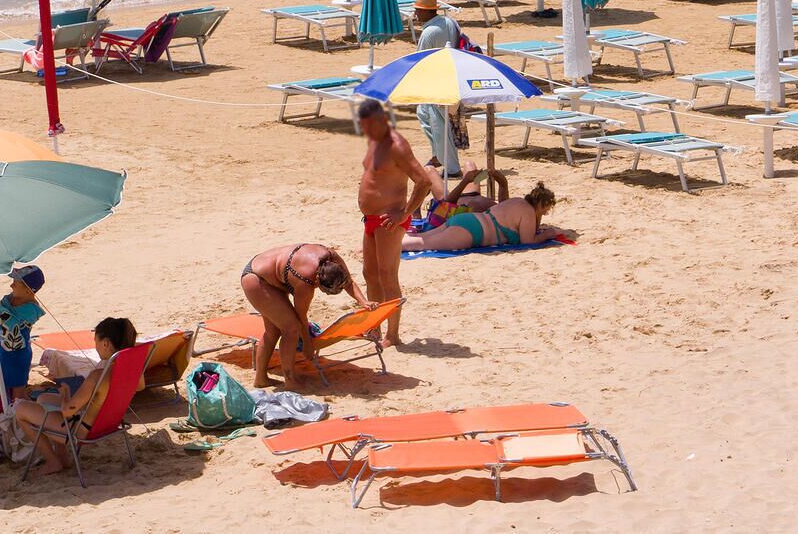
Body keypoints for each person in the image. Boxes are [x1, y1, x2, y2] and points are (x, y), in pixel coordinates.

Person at [356, 97, 442, 347]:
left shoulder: (397, 145)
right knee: (369, 274)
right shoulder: (374, 140)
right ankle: (374, 327)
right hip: (370, 219)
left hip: (389, 221)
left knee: (387, 275)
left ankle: (392, 335)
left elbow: (423, 181)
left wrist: (404, 213)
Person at [11, 317, 137, 476]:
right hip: (106, 424)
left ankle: (52, 461)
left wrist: (65, 395)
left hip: (81, 431)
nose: (95, 346)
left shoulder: (97, 377)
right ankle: (63, 457)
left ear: (105, 344)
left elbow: (66, 412)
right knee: (44, 399)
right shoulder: (129, 373)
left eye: (96, 342)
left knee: (20, 409)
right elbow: (140, 385)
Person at [239, 244, 366, 388]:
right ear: (317, 281)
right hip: (256, 280)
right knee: (291, 328)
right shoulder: (304, 282)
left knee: (274, 331)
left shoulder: (332, 257)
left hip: (270, 273)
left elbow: (348, 282)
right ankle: (291, 381)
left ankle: (261, 380)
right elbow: (301, 317)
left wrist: (364, 302)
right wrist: (307, 343)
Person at [402, 181, 571, 254]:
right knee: (418, 244)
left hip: (468, 221)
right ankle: (385, 250)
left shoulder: (517, 201)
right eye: (545, 210)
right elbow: (528, 241)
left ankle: (390, 241)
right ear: (541, 205)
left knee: (420, 237)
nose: (546, 214)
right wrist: (548, 235)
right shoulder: (527, 212)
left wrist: (539, 217)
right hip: (472, 232)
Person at [409, 0, 464, 177]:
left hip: (436, 83)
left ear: (426, 11)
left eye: (418, 10)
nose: (416, 14)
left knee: (440, 125)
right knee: (423, 114)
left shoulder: (429, 32)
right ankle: (438, 155)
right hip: (450, 77)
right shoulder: (447, 22)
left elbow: (420, 61)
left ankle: (452, 168)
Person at [0, 265, 46, 407]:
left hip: (18, 352)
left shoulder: (32, 309)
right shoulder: (10, 299)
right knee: (2, 381)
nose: (11, 285)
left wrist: (1, 313)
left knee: (18, 388)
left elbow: (8, 322)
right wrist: (1, 313)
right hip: (3, 349)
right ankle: (7, 409)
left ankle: (19, 414)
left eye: (16, 283)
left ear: (28, 290)